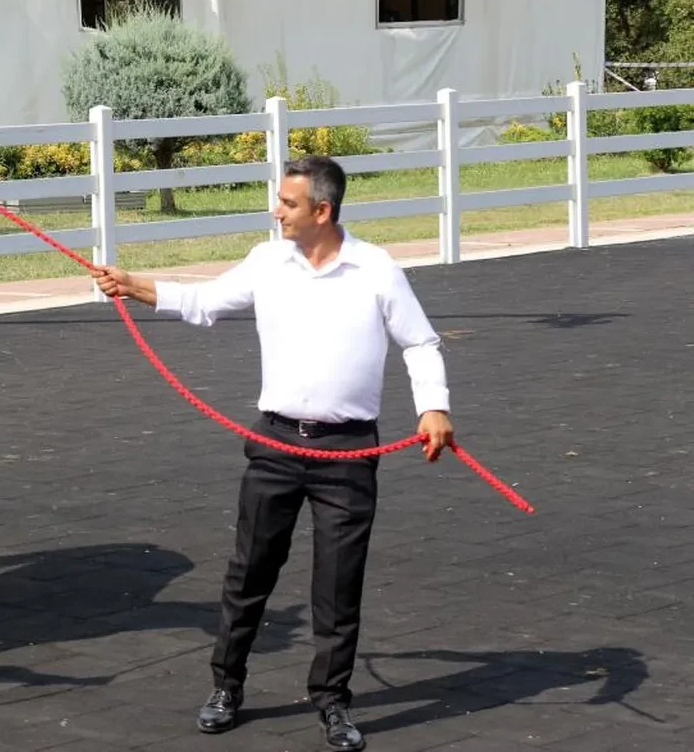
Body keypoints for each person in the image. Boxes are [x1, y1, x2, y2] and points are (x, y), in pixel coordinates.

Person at [92, 155, 454, 751]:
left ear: (322, 210)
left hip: (348, 455)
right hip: (276, 445)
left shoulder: (377, 270)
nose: (275, 210)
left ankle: (333, 703)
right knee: (248, 574)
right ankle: (226, 687)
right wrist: (133, 285)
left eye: (287, 203)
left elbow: (421, 343)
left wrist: (433, 407)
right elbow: (205, 303)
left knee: (338, 587)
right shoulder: (268, 262)